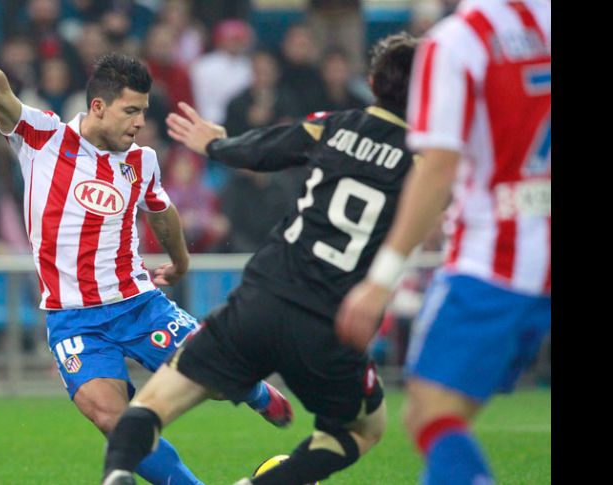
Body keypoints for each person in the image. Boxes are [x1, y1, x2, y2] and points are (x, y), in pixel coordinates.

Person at [0, 13, 292, 485]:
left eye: (144, 112)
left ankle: (255, 393)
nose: (140, 123)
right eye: (131, 111)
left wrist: (180, 261)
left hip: (139, 304)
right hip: (73, 318)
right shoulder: (44, 137)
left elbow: (161, 210)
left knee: (214, 377)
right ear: (98, 106)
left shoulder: (142, 161)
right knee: (114, 420)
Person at [102, 32, 420, 485]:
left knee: (153, 404)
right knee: (362, 429)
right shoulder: (427, 161)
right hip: (332, 320)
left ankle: (116, 472)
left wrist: (215, 144)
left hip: (263, 297)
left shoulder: (333, 125)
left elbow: (264, 151)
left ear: (371, 81)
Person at [334, 1, 551, 484]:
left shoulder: (459, 41)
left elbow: (436, 170)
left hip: (497, 259)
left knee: (431, 411)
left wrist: (381, 279)